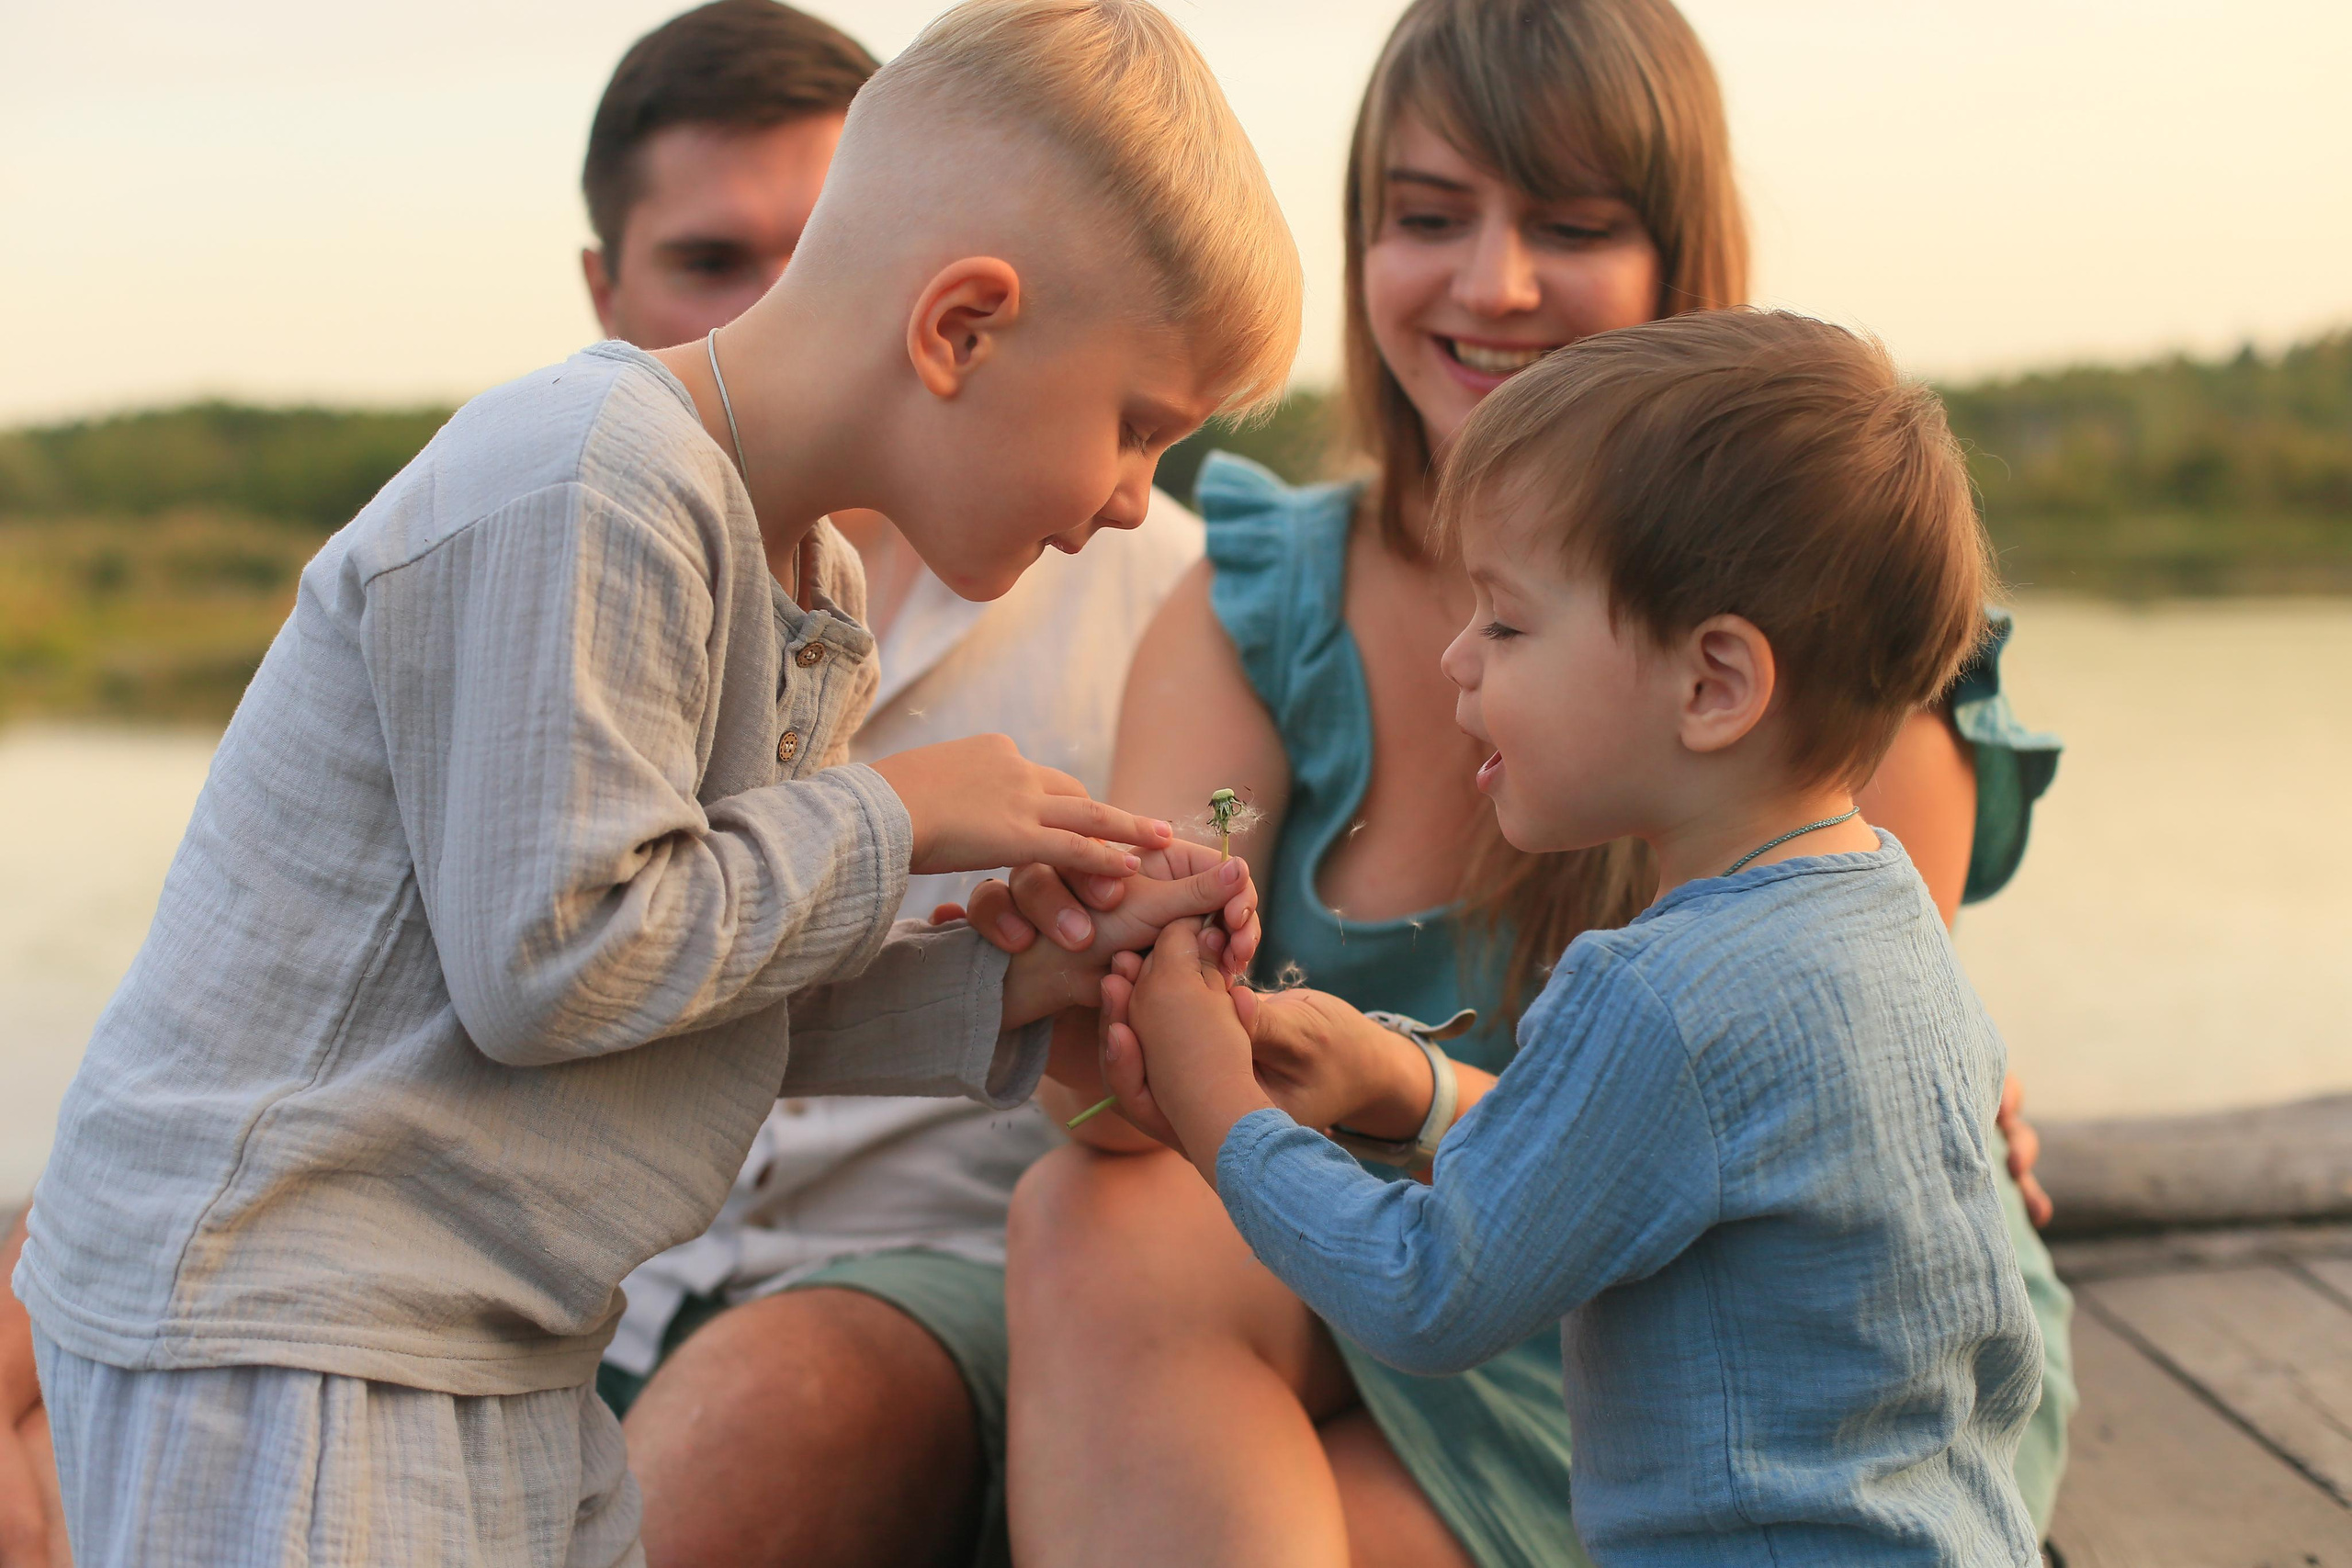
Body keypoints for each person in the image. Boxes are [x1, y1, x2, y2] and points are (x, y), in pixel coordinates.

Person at [10, 2, 1295, 1562]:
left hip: (485, 1329)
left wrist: (1010, 994)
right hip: (290, 1314)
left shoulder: (788, 557)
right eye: (1136, 427)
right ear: (961, 325)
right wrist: (897, 813)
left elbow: (679, 981)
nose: (1125, 502)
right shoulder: (590, 478)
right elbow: (554, 963)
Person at [983, 2, 2074, 1563]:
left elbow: (1615, 1203)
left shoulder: (1841, 651)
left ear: (1720, 681)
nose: (1491, 282)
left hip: (1742, 1398)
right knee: (1102, 1252)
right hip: (1479, 1274)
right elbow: (1121, 1123)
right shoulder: (1264, 602)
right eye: (1428, 217)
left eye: (1569, 224)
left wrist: (1221, 1099)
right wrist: (1171, 1033)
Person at [1104, 309, 2043, 1566]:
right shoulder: (1883, 922)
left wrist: (1215, 1098)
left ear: (1712, 685)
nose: (1456, 658)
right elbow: (1635, 1161)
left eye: (1505, 623)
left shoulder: (1659, 989)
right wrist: (1405, 1083)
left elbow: (1427, 1289)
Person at [570, 8, 1211, 1566]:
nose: (799, 308)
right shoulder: (577, 555)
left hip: (921, 1282)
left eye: (827, 244)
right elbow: (517, 976)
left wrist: (1113, 991)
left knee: (778, 1400)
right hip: (589, 1253)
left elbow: (1140, 1093)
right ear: (603, 290)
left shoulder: (1170, 598)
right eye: (718, 263)